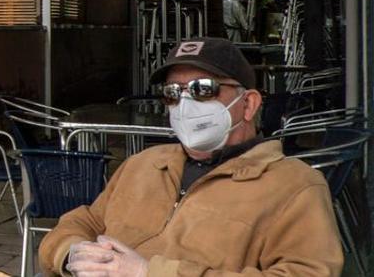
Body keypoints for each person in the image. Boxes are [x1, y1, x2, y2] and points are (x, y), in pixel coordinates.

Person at [39, 37, 343, 276]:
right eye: (173, 92)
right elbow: (84, 220)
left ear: (248, 104)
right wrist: (70, 253)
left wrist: (150, 273)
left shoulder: (295, 186)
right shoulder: (145, 164)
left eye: (202, 89)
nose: (185, 103)